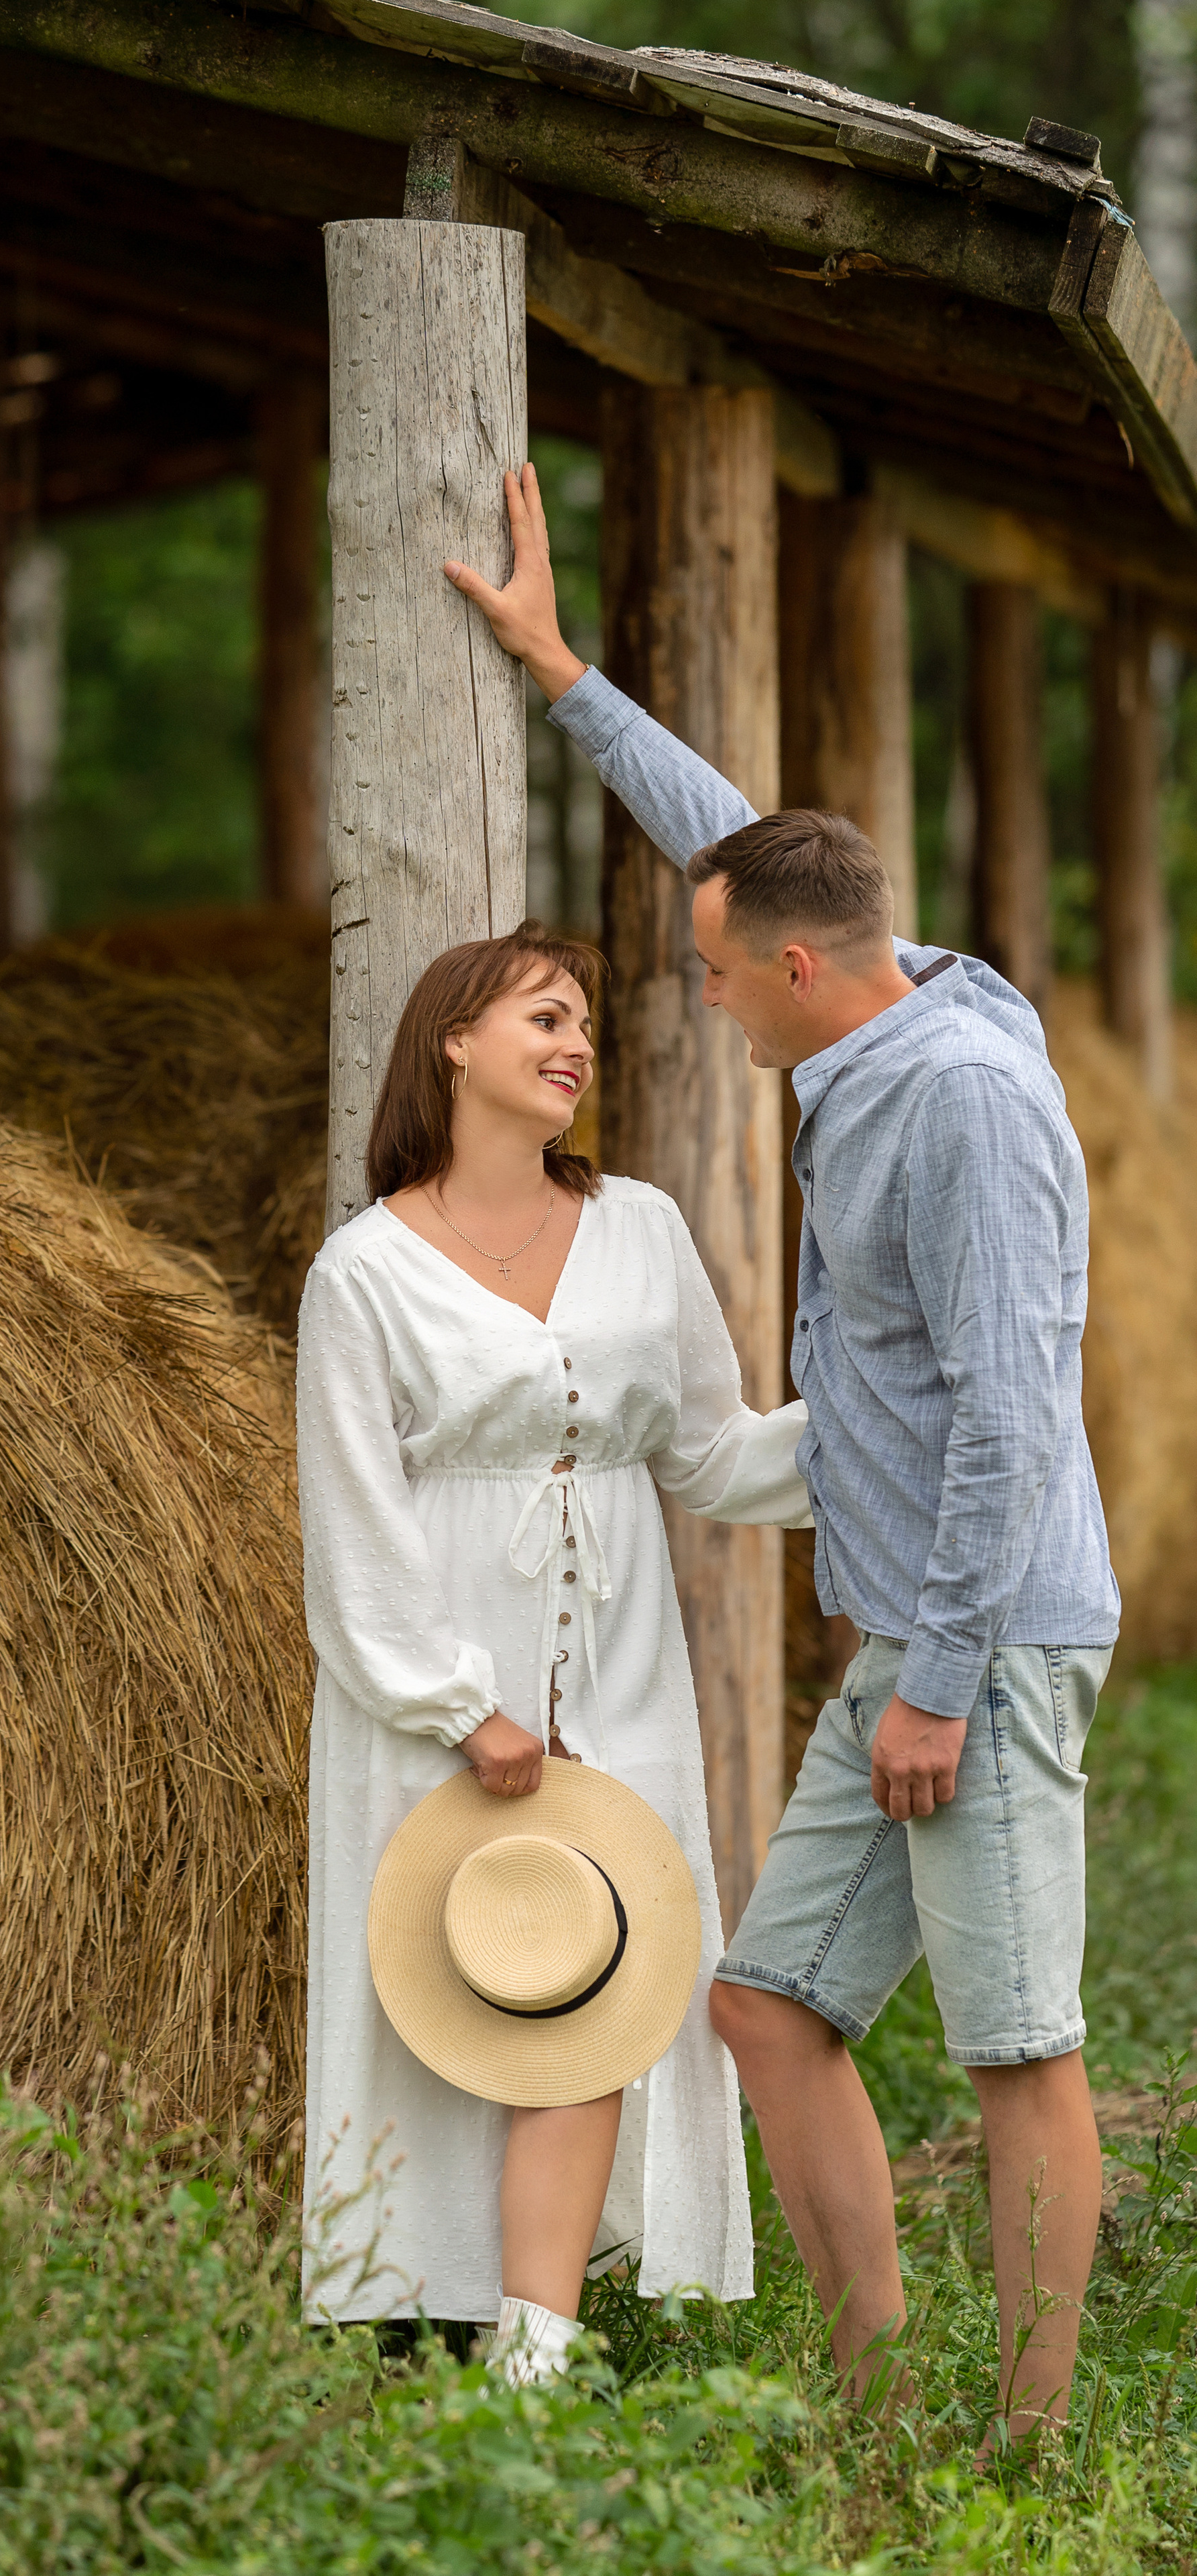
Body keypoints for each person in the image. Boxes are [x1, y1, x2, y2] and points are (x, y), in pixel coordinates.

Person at [445, 463, 1119, 2446]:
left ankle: (1028, 2459)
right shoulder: (884, 986)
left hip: (969, 1651)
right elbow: (738, 842)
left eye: (716, 973)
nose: (698, 989)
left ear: (802, 979)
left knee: (1020, 2052)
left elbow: (1016, 1411)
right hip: (910, 1636)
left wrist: (934, 1684)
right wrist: (567, 675)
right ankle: (875, 2396)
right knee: (762, 2008)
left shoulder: (964, 1114)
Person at [296, 916, 812, 2368]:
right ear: (451, 1042)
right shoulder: (363, 1271)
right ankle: (414, 2314)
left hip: (624, 1670)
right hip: (434, 1682)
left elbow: (707, 1451)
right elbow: (350, 1517)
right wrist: (461, 1704)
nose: (572, 1043)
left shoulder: (639, 1227)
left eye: (578, 1021)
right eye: (540, 1016)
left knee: (596, 1980)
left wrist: (873, 1429)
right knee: (450, 1990)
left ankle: (532, 2354)